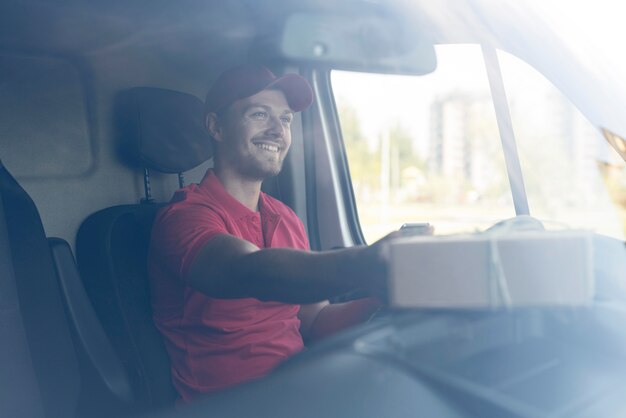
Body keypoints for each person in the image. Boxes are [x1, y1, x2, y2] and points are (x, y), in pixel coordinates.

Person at [148, 64, 392, 402]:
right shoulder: (183, 217)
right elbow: (248, 271)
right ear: (216, 126)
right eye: (260, 114)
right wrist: (368, 263)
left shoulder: (286, 218)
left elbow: (314, 319)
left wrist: (386, 297)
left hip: (299, 391)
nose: (278, 130)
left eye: (286, 119)